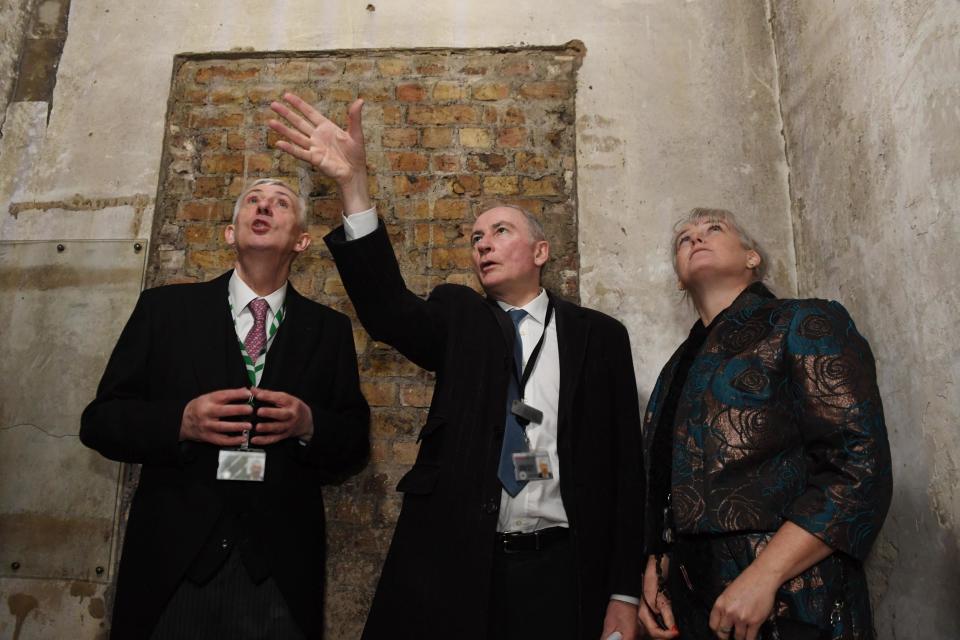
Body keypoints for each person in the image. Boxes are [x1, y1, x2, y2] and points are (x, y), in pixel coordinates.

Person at [267, 92, 644, 640]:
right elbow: (389, 311)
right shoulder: (460, 317)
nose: (483, 245)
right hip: (462, 566)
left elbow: (625, 470)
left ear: (540, 252)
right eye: (475, 238)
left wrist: (623, 591)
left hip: (564, 570)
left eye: (500, 232)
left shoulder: (600, 337)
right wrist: (353, 185)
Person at [80, 178, 370, 639]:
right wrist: (180, 422)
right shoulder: (165, 310)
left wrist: (310, 424)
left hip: (280, 575)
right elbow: (100, 422)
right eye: (252, 201)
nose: (263, 207)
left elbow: (354, 444)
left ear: (302, 240)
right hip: (172, 565)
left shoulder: (329, 330)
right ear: (230, 233)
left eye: (280, 204)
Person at [636, 208, 892, 640]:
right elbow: (668, 484)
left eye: (713, 229)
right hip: (692, 601)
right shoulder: (676, 369)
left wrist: (765, 576)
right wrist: (657, 563)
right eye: (683, 238)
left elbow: (859, 467)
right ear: (680, 277)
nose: (696, 238)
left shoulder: (804, 320)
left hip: (793, 598)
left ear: (752, 257)